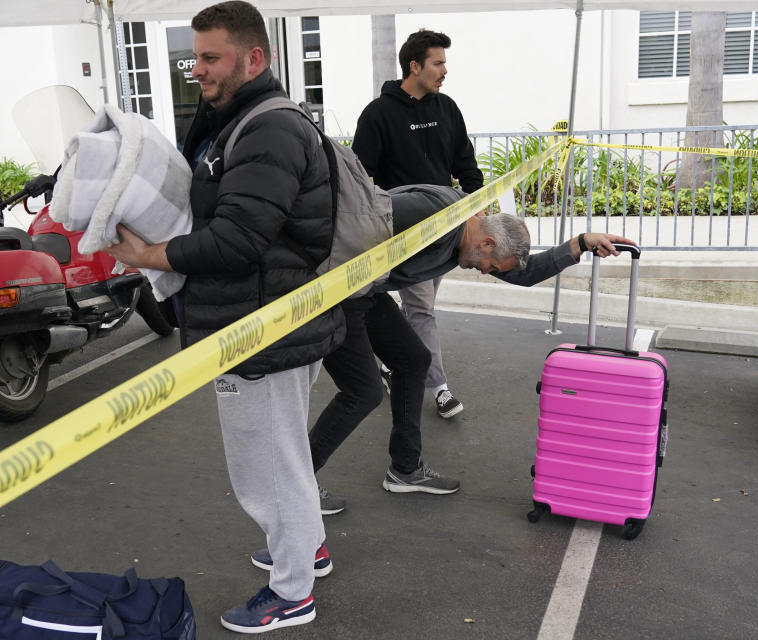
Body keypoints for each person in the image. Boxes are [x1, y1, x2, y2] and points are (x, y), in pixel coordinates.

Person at [105, 1, 342, 634]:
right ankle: (307, 551)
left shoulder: (268, 128)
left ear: (253, 58)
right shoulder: (234, 120)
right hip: (265, 320)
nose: (196, 70)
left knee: (267, 470)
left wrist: (148, 254)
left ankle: (292, 593)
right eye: (194, 57)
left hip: (260, 329)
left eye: (210, 58)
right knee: (282, 456)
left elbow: (237, 240)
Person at [307, 183, 634, 500]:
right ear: (488, 242)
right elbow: (351, 219)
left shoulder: (471, 235)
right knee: (364, 391)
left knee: (413, 361)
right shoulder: (431, 216)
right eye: (490, 266)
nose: (485, 271)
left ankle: (404, 469)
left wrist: (580, 243)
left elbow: (523, 273)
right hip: (331, 290)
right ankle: (299, 487)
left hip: (364, 293)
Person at [352, 29, 483, 420]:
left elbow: (465, 163)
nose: (445, 70)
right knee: (421, 306)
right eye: (438, 62)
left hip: (449, 228)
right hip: (402, 233)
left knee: (420, 305)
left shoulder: (447, 108)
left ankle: (397, 363)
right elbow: (362, 177)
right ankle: (439, 386)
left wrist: (475, 209)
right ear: (415, 66)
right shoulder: (378, 114)